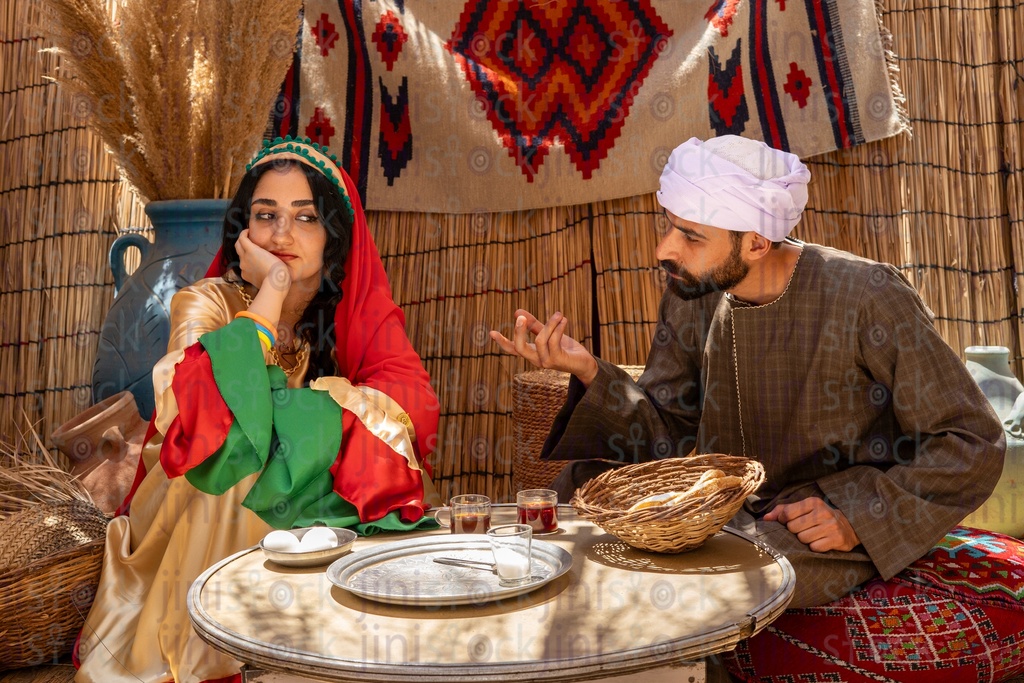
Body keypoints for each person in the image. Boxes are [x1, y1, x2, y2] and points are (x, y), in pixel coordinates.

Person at [491, 135, 1005, 609]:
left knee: (731, 578)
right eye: (669, 225)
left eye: (691, 236)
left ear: (757, 243)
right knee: (574, 487)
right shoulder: (694, 292)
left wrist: (857, 518)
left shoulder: (868, 297)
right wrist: (587, 371)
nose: (664, 250)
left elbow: (971, 439)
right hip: (718, 507)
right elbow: (665, 433)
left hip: (807, 521)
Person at [76, 137, 441, 683]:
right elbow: (202, 417)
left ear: (333, 237)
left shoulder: (340, 319)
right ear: (243, 231)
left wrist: (314, 424)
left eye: (305, 217)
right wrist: (272, 289)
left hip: (294, 502)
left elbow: (409, 406)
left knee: (379, 470)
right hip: (195, 495)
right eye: (266, 215)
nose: (282, 234)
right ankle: (215, 658)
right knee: (243, 460)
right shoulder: (203, 301)